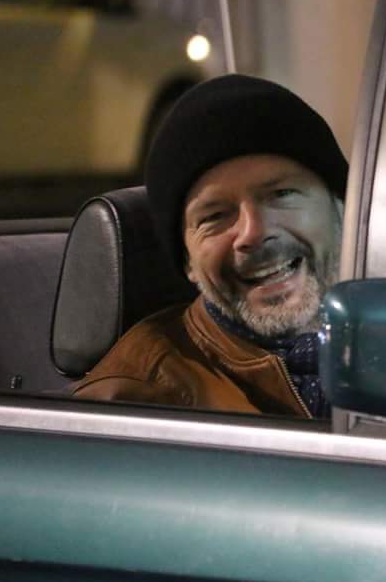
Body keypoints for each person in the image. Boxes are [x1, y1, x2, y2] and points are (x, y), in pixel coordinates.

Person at [69, 74, 348, 418]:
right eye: (215, 216)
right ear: (187, 259)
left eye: (281, 194)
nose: (254, 232)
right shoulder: (134, 403)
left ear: (341, 207)